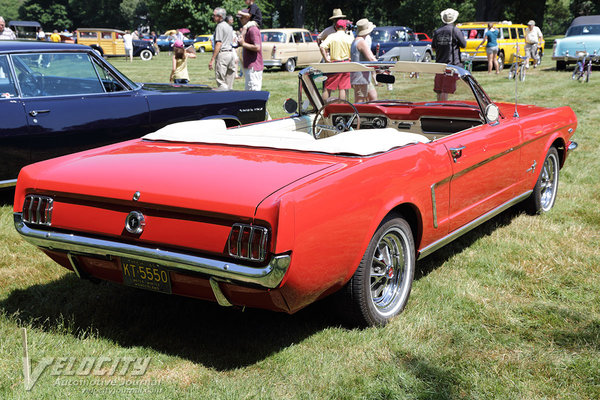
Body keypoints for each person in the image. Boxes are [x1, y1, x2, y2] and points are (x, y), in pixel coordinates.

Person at [320, 19, 354, 101]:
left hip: (334, 64)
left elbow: (322, 46)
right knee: (343, 88)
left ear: (336, 27)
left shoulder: (331, 36)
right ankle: (342, 108)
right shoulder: (349, 37)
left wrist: (326, 58)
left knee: (328, 87)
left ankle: (323, 107)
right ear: (345, 27)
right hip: (346, 63)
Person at [209, 7, 237, 90]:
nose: (213, 17)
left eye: (214, 15)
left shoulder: (219, 26)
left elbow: (218, 43)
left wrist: (212, 59)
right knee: (229, 83)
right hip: (231, 54)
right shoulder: (229, 26)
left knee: (221, 82)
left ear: (220, 16)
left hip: (223, 55)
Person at [351, 18, 378, 103]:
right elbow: (371, 58)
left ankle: (371, 115)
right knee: (360, 101)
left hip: (364, 76)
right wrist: (382, 68)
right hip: (360, 77)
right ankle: (360, 116)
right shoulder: (361, 42)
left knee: (373, 97)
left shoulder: (355, 40)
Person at [237, 9, 263, 91]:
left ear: (248, 18)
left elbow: (257, 47)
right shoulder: (247, 29)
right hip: (250, 66)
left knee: (253, 92)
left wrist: (243, 43)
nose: (240, 20)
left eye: (242, 18)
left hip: (253, 67)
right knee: (249, 92)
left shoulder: (253, 30)